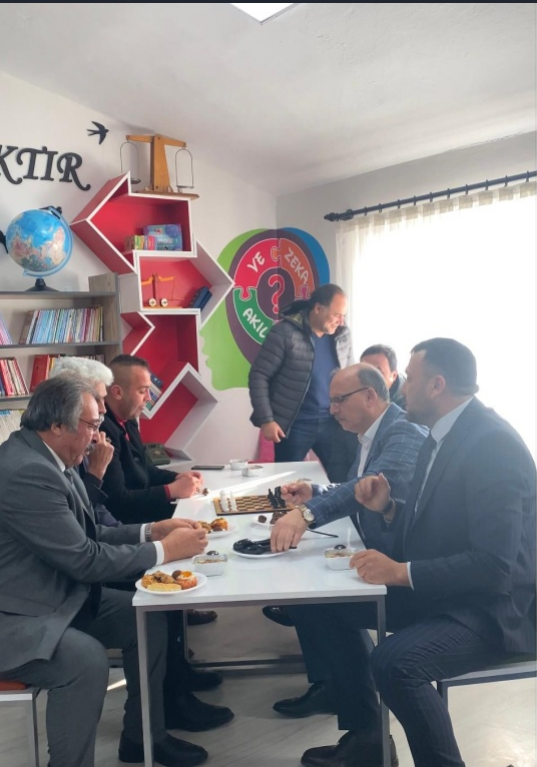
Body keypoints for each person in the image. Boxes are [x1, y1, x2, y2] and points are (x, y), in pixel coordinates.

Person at [284, 338, 536, 767]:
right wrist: (388, 508)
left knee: (395, 662)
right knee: (322, 603)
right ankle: (368, 742)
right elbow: (438, 525)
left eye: (410, 379)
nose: (401, 389)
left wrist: (399, 572)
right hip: (450, 589)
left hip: (498, 609)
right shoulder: (441, 435)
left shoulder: (492, 444)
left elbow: (495, 567)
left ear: (437, 385)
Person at [0, 376, 214, 767]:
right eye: (92, 425)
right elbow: (83, 559)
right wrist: (164, 551)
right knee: (85, 661)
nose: (98, 437)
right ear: (57, 425)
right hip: (16, 616)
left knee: (146, 616)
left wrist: (152, 531)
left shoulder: (51, 456)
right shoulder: (26, 471)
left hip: (53, 598)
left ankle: (143, 738)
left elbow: (86, 533)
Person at [49, 356, 232, 731]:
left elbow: (98, 520)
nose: (101, 413)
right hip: (62, 592)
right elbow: (96, 525)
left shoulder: (93, 439)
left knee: (167, 586)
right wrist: (158, 542)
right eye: (95, 404)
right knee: (160, 596)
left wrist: (153, 530)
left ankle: (167, 698)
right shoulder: (52, 462)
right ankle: (165, 706)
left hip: (103, 548)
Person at [267, 363, 427, 719]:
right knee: (303, 591)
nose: (332, 409)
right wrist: (317, 492)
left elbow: (369, 485)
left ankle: (364, 724)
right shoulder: (373, 434)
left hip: (404, 568)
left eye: (339, 400)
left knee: (319, 599)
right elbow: (359, 489)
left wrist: (307, 513)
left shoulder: (404, 432)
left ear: (370, 396)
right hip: (378, 550)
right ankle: (333, 687)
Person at [101, 353, 219, 629]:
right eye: (143, 391)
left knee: (196, 519)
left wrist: (178, 477)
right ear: (117, 392)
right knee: (184, 528)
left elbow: (145, 470)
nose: (148, 398)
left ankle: (181, 605)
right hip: (126, 522)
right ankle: (174, 615)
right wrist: (171, 490)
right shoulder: (104, 431)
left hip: (143, 510)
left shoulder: (128, 420)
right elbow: (118, 502)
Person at [248, 283, 357, 482]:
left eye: (343, 316)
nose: (340, 321)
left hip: (332, 422)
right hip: (294, 425)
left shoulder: (342, 335)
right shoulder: (284, 332)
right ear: (318, 308)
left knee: (342, 479)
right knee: (287, 484)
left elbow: (350, 376)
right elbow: (258, 376)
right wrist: (267, 420)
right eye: (336, 315)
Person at [360, 343, 406, 409]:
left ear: (394, 376)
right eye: (364, 372)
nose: (368, 378)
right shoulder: (354, 392)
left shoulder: (407, 405)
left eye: (377, 372)